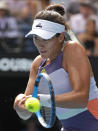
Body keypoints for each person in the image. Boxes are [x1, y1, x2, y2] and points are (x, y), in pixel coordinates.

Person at [14, 4, 98, 131]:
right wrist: (20, 106)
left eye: (45, 38)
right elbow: (27, 113)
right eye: (36, 38)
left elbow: (81, 99)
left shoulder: (72, 49)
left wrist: (42, 99)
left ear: (61, 37)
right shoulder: (37, 64)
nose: (40, 44)